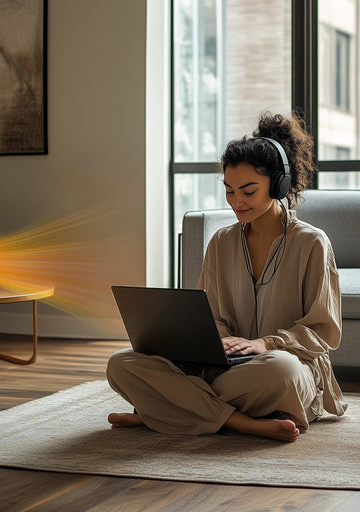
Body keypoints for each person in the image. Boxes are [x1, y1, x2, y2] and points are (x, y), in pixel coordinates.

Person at [106, 111, 347, 442]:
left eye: (248, 190)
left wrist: (265, 343)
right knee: (121, 364)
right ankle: (241, 422)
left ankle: (163, 410)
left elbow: (324, 331)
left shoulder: (312, 242)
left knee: (282, 371)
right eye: (230, 190)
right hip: (223, 370)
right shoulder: (221, 241)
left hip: (280, 366)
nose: (237, 201)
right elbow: (211, 317)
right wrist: (211, 345)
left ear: (279, 184)